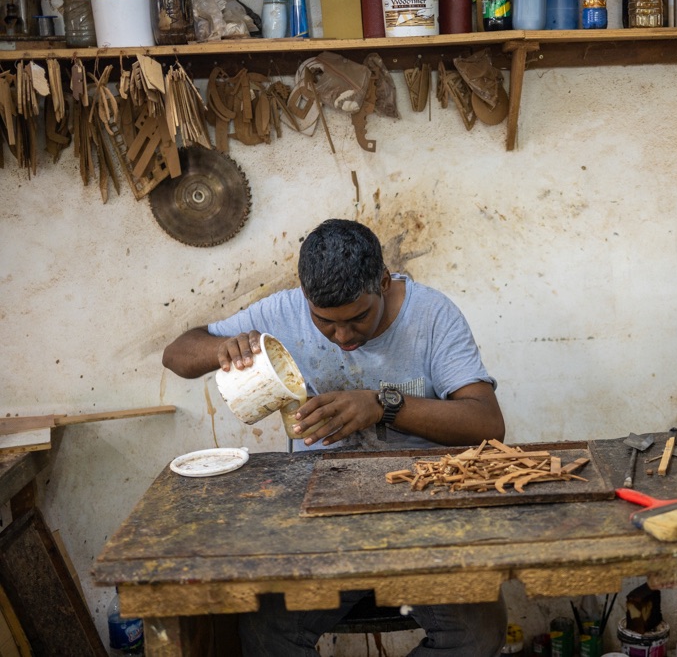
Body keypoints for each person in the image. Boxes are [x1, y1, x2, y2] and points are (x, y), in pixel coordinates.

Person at [162, 219, 507, 656]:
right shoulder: (284, 312)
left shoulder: (432, 315)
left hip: (422, 508)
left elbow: (487, 423)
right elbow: (176, 354)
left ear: (384, 283)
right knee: (265, 632)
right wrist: (221, 349)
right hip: (320, 512)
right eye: (324, 322)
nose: (343, 337)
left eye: (358, 317)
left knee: (478, 634)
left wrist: (383, 406)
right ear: (305, 297)